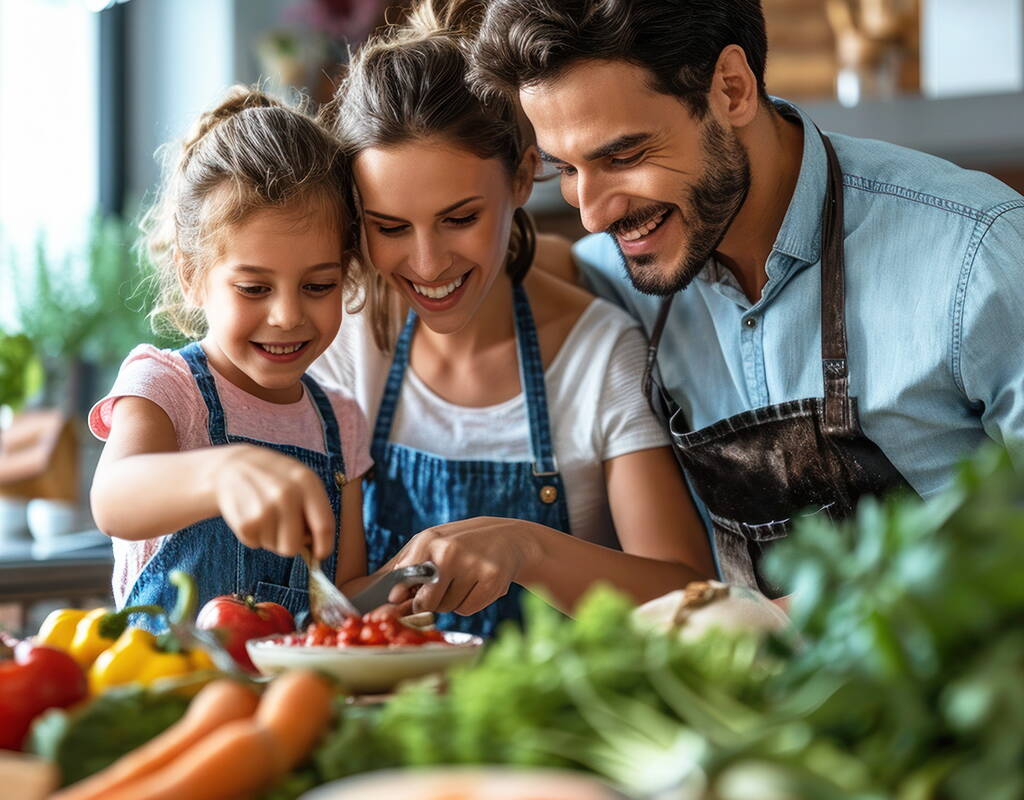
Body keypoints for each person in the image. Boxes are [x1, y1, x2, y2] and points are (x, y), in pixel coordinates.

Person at [467, 0, 1024, 597]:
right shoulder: (622, 273)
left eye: (623, 156)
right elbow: (485, 264)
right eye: (566, 169)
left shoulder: (978, 252)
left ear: (731, 90)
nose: (594, 213)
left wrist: (784, 626)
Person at [310, 2, 714, 635]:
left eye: (460, 218)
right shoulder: (343, 343)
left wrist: (528, 551)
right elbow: (321, 598)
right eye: (389, 227)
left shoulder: (598, 355)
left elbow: (687, 592)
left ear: (524, 177)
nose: (427, 263)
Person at [89, 87, 371, 616]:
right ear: (192, 275)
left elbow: (343, 593)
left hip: (289, 697)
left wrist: (395, 591)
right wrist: (223, 472)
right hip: (168, 689)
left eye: (318, 286)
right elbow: (112, 500)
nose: (287, 315)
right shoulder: (167, 387)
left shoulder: (342, 422)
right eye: (254, 288)